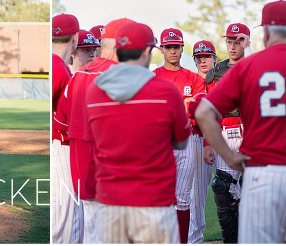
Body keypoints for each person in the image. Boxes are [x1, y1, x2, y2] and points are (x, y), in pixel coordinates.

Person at [87, 22, 190, 243]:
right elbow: (182, 142)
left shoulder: (94, 91)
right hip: (154, 203)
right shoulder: (166, 92)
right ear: (146, 51)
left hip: (110, 203)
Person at [196, 0, 286, 243]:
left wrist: (230, 157)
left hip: (261, 170)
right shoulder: (235, 66)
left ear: (265, 31)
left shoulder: (248, 67)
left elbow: (203, 113)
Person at [54, 17, 134, 243]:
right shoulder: (126, 77)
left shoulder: (78, 76)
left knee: (89, 232)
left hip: (82, 167)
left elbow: (61, 120)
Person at [152, 27, 205, 243]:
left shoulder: (193, 78)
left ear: (182, 49)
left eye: (176, 47)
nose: (173, 51)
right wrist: (183, 105)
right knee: (158, 198)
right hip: (160, 140)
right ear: (162, 49)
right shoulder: (153, 77)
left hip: (188, 138)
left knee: (182, 199)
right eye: (169, 47)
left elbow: (199, 109)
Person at [201, 23, 252, 243]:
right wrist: (207, 142)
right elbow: (208, 111)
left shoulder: (256, 67)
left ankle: (252, 237)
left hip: (251, 133)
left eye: (238, 41)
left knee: (253, 189)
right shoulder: (216, 73)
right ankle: (231, 240)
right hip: (224, 133)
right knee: (222, 189)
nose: (232, 46)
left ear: (246, 41)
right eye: (229, 41)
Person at [50, 13, 83, 243]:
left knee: (68, 219)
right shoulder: (59, 68)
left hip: (62, 146)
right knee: (64, 221)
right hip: (60, 147)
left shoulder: (58, 65)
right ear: (77, 38)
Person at [189, 39, 217, 243]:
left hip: (226, 137)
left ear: (214, 58)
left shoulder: (223, 80)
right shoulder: (190, 82)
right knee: (195, 194)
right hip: (199, 139)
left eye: (206, 56)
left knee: (232, 190)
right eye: (198, 57)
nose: (202, 60)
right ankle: (194, 239)